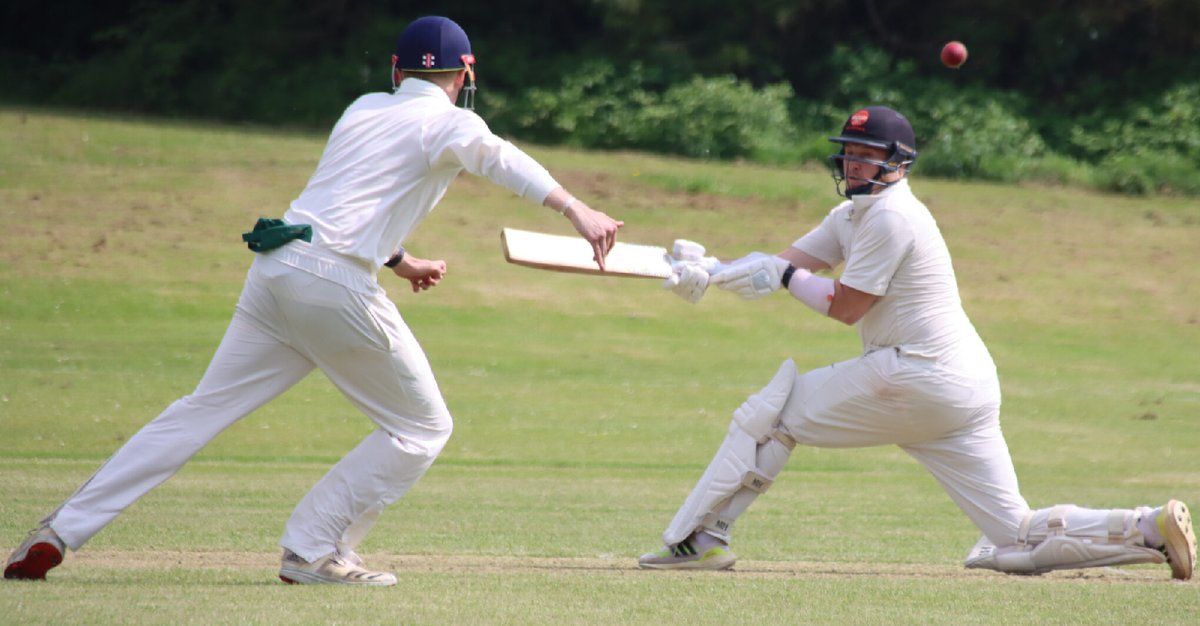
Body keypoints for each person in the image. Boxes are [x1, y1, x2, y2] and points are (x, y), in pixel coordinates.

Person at [5, 15, 622, 586]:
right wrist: (577, 208)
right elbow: (500, 159)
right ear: (466, 74)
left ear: (396, 69)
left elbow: (345, 199)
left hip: (278, 269)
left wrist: (400, 262)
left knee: (198, 410)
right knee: (422, 428)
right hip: (332, 283)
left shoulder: (363, 109)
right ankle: (313, 550)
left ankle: (61, 529)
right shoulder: (454, 122)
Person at [643, 105, 1195, 580]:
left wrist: (780, 277)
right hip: (962, 387)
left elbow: (844, 307)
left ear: (899, 163)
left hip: (914, 374)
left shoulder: (892, 216)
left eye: (867, 154)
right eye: (849, 152)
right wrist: (711, 270)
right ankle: (1147, 526)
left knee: (772, 416)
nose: (854, 163)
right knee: (1014, 536)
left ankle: (700, 540)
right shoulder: (852, 214)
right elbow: (778, 268)